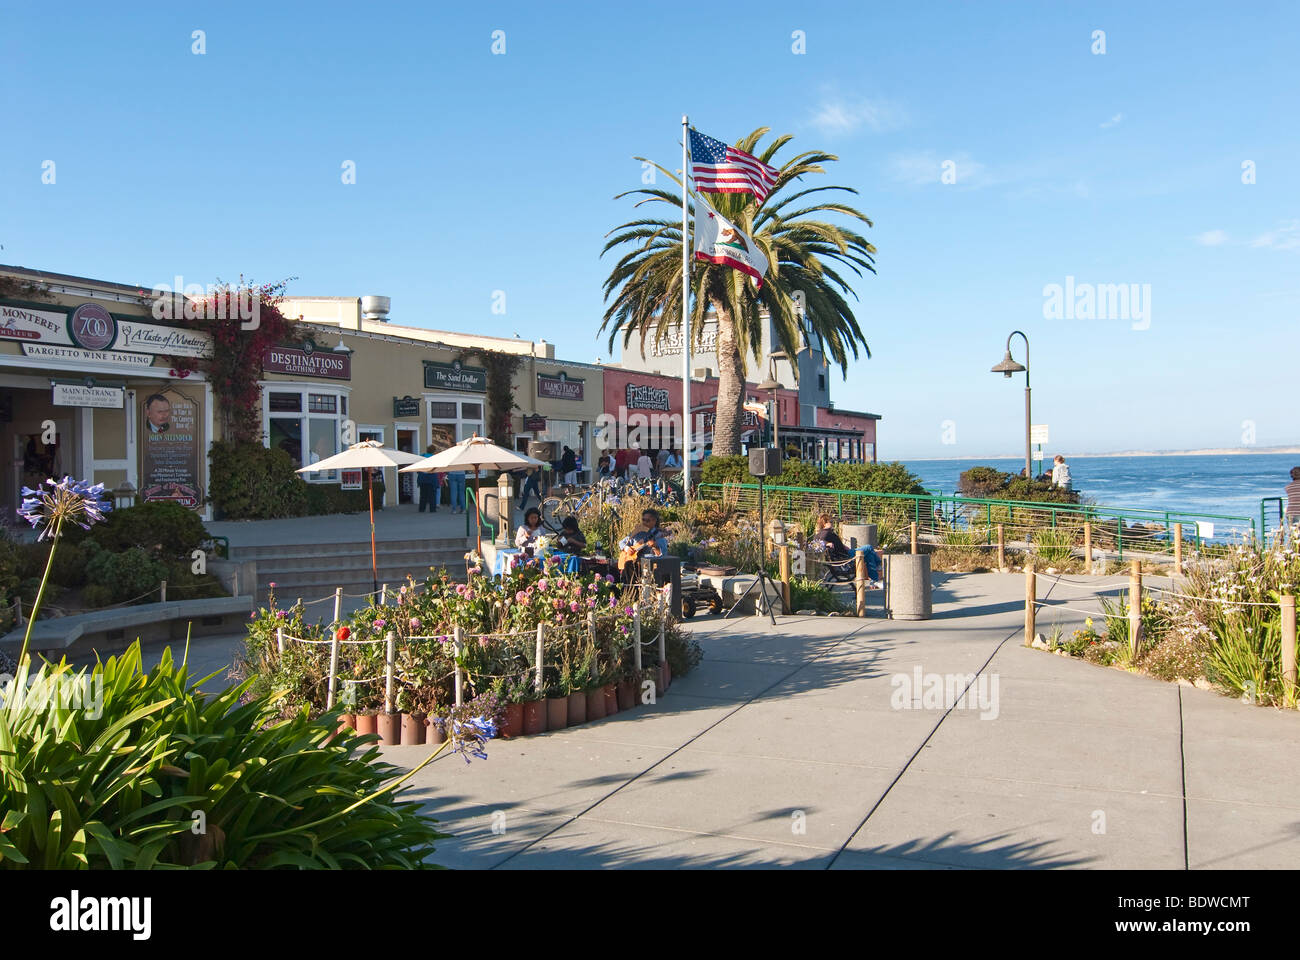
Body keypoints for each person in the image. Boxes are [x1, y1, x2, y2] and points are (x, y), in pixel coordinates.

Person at [618, 508, 668, 581]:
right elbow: (621, 542)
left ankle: (632, 590)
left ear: (654, 521)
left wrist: (655, 547)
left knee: (629, 565)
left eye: (647, 521)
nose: (644, 522)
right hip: (633, 564)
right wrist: (627, 549)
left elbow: (663, 556)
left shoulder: (659, 536)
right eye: (643, 520)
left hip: (648, 567)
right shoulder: (638, 533)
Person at [416, 447, 440, 513]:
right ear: (434, 451)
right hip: (432, 479)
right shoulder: (435, 458)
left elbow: (417, 469)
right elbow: (437, 469)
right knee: (432, 496)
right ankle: (432, 509)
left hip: (422, 479)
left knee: (423, 495)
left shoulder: (422, 456)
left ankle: (421, 509)